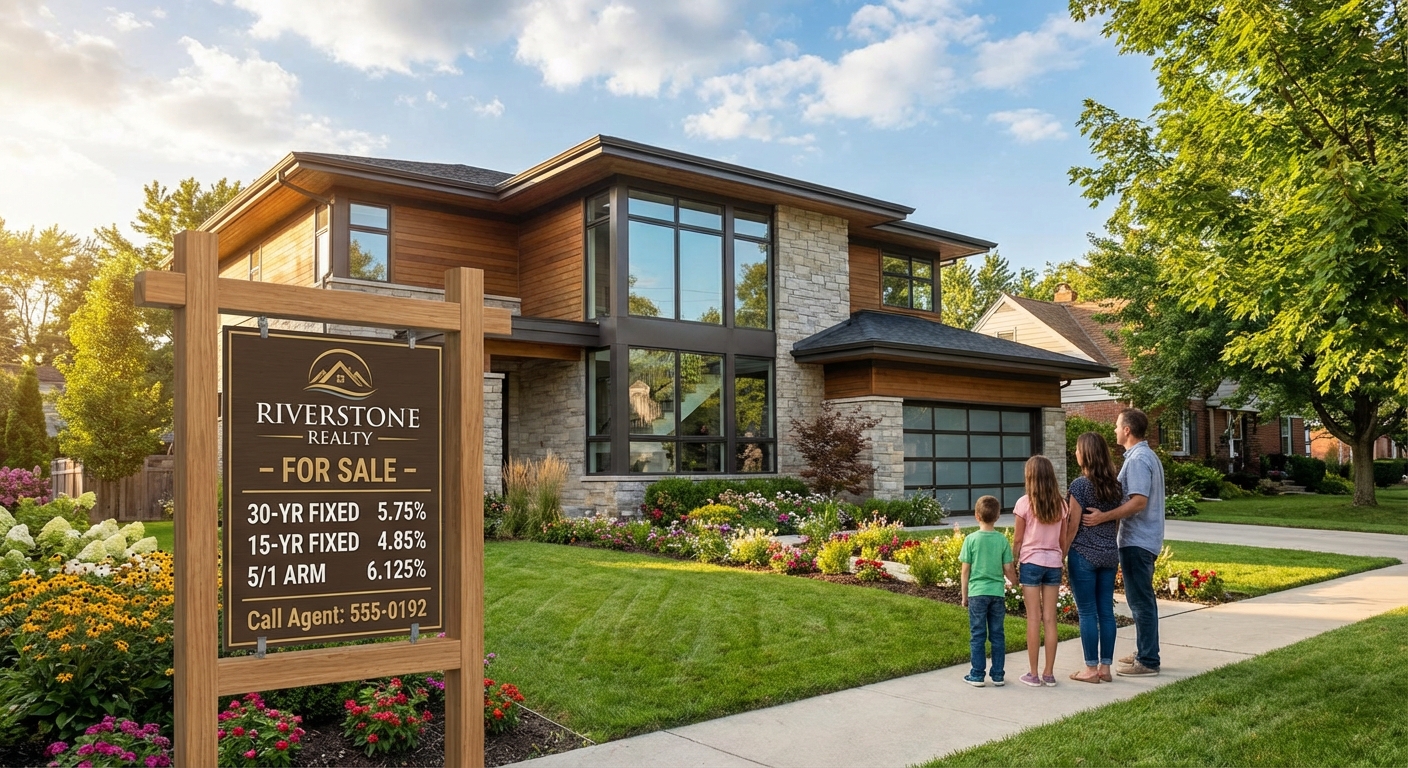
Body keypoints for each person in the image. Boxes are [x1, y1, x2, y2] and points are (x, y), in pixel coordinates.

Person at [1083, 408, 1165, 677]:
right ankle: (1145, 650)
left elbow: (1138, 502)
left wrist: (1103, 517)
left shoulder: (1139, 459)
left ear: (1128, 430)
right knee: (1141, 600)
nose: (1115, 430)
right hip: (1141, 540)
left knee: (1140, 602)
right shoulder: (1143, 456)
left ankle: (1148, 661)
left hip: (1137, 541)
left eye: (1118, 426)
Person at [1063, 432, 1124, 683]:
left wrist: (1061, 554)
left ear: (1086, 454)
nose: (1075, 453)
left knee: (1087, 612)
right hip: (1110, 555)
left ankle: (1090, 669)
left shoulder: (1079, 485)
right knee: (1106, 613)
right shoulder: (1115, 486)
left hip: (1084, 555)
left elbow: (1072, 525)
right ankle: (1105, 668)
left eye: (1077, 449)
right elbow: (1117, 522)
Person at [1011, 455, 1073, 687]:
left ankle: (1033, 674)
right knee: (1050, 619)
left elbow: (1018, 541)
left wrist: (1014, 564)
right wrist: (1060, 558)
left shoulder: (1024, 503)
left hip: (1031, 563)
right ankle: (1049, 673)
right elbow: (1062, 540)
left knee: (1033, 619)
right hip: (1053, 564)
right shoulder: (1061, 504)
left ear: (1030, 477)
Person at [959, 495, 1018, 688]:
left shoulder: (970, 540)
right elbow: (1008, 568)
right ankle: (998, 675)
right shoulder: (1001, 540)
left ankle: (977, 674)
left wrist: (964, 595)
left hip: (977, 594)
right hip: (997, 594)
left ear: (977, 516)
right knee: (997, 634)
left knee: (977, 634)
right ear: (998, 516)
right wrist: (1016, 582)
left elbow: (965, 571)